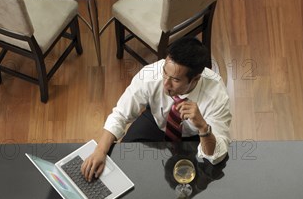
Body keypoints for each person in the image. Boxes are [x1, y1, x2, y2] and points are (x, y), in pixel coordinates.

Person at [81, 37, 232, 181]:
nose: (166, 84)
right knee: (125, 157)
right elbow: (120, 114)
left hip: (195, 135)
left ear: (195, 79)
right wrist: (100, 151)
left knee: (207, 171)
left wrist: (203, 127)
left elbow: (216, 154)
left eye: (176, 80)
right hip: (156, 122)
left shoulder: (216, 95)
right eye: (165, 73)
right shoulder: (150, 75)